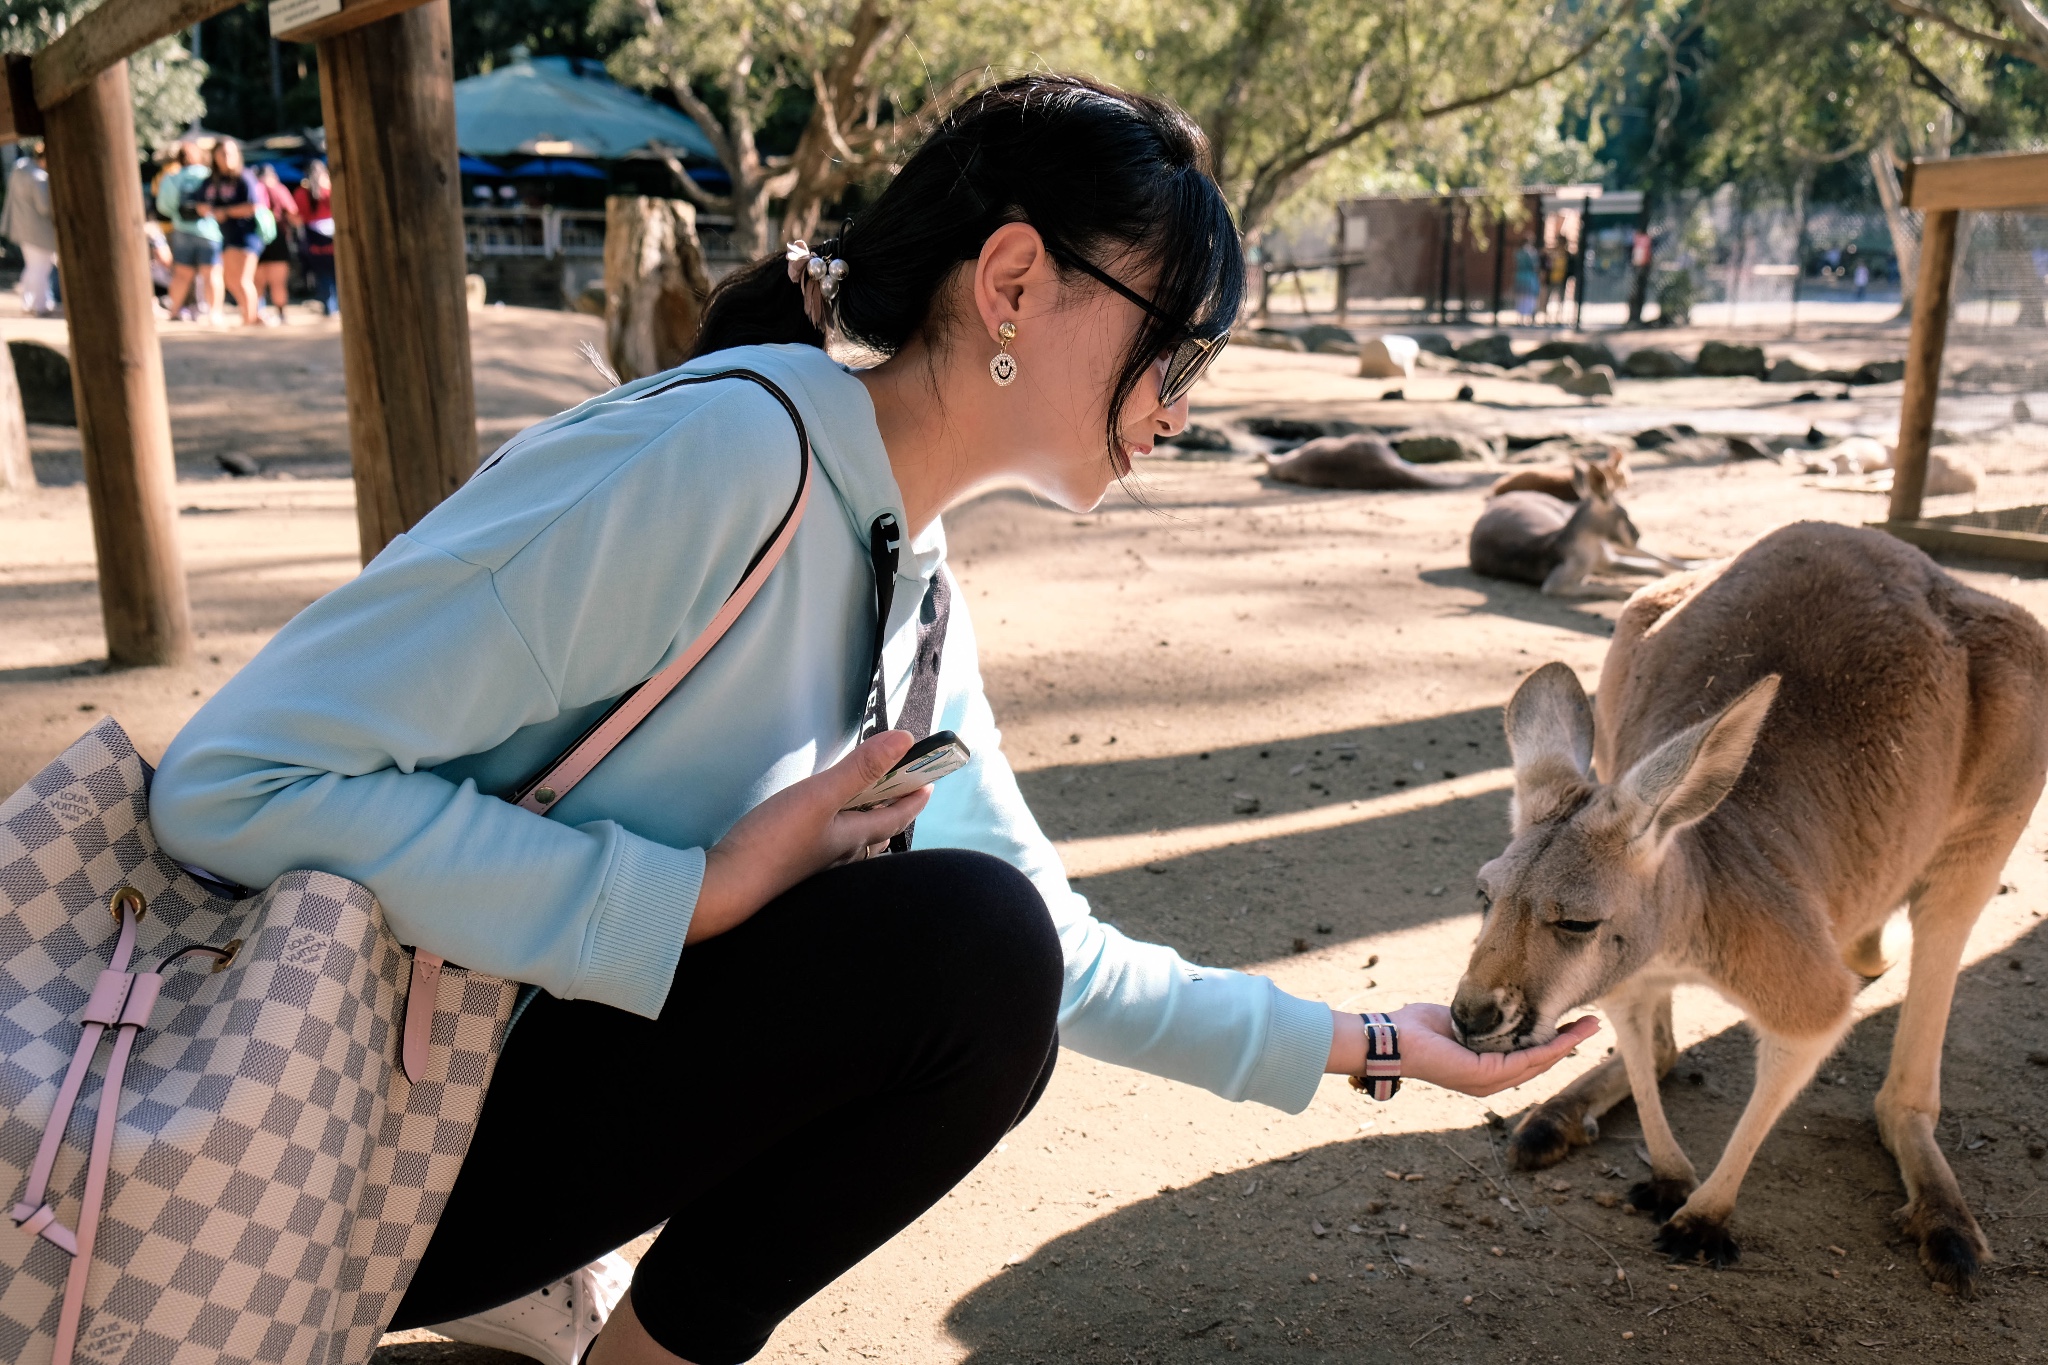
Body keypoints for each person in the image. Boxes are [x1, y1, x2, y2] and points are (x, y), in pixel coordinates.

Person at [150, 76, 1596, 1365]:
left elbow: (1056, 955)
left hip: (466, 1147)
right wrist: (696, 895)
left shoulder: (904, 580)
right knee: (967, 953)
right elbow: (231, 784)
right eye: (1175, 349)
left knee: (984, 973)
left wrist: (1375, 1042)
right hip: (280, 1148)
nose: (1179, 408)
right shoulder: (720, 457)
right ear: (1017, 281)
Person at [195, 139, 264, 325]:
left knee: (242, 279)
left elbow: (254, 206)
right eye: (222, 154)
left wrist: (225, 212)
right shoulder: (211, 181)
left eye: (230, 153)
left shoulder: (244, 177)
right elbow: (200, 202)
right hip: (224, 235)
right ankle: (252, 317)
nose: (226, 158)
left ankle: (249, 320)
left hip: (246, 234)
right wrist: (205, 210)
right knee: (232, 280)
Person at [157, 142, 220, 321]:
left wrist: (178, 215)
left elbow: (163, 206)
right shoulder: (209, 175)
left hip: (181, 230)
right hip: (209, 231)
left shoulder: (171, 177)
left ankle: (174, 311)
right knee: (211, 274)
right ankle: (214, 314)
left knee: (182, 275)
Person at [0, 141, 57, 316]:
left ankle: (29, 301)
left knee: (33, 266)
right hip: (38, 231)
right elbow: (45, 207)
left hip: (20, 227)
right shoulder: (39, 177)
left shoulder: (20, 169)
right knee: (41, 268)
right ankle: (40, 304)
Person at [253, 162, 299, 323]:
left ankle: (257, 313)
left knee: (257, 282)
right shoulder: (280, 190)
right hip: (279, 238)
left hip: (256, 241)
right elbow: (294, 215)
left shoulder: (254, 189)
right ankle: (281, 314)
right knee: (278, 283)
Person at [293, 158, 336, 315]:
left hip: (312, 237)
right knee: (336, 272)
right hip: (332, 234)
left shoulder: (301, 192)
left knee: (322, 275)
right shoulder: (331, 190)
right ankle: (337, 307)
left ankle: (329, 307)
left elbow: (297, 216)